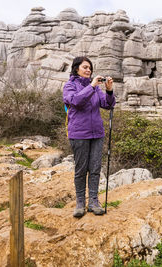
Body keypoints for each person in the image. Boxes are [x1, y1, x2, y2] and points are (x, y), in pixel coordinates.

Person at [63, 56, 115, 217]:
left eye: (90, 68)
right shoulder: (70, 86)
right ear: (76, 68)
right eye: (85, 67)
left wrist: (109, 90)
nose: (88, 70)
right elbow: (76, 101)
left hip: (97, 133)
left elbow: (107, 105)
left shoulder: (96, 89)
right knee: (81, 169)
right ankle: (80, 203)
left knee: (95, 168)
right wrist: (92, 86)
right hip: (79, 134)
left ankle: (93, 202)